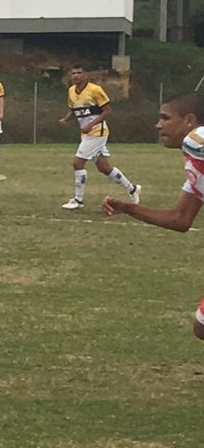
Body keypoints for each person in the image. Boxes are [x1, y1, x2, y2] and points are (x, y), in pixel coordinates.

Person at [102, 93, 204, 338]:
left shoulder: (196, 140)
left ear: (189, 120)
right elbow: (180, 218)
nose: (158, 125)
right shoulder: (194, 162)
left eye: (165, 118)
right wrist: (128, 208)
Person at [59, 64, 138, 210]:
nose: (75, 76)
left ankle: (78, 200)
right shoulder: (71, 91)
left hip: (97, 132)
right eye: (73, 73)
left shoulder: (95, 90)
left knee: (78, 163)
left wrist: (91, 125)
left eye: (79, 73)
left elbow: (107, 111)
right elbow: (74, 110)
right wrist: (65, 119)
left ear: (85, 75)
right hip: (87, 134)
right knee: (104, 167)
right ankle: (132, 188)